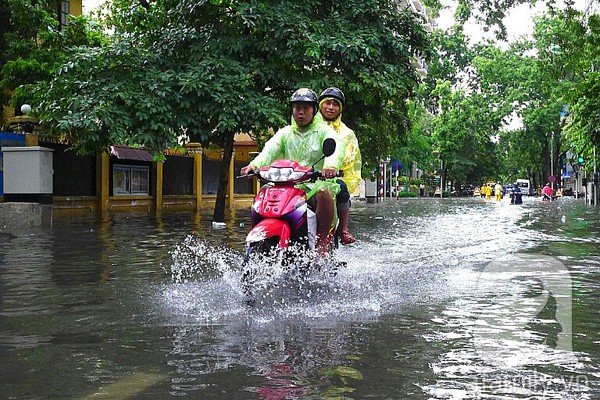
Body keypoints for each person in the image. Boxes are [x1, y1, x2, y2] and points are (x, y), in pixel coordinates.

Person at [240, 88, 345, 257]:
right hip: (287, 183)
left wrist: (330, 166)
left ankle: (322, 244)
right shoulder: (285, 133)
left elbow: (336, 148)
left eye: (306, 108)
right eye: (297, 108)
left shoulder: (324, 131)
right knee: (264, 192)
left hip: (315, 183)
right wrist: (254, 165)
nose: (301, 112)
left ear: (314, 110)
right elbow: (269, 150)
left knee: (325, 193)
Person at [318, 87, 362, 245]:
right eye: (327, 103)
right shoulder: (308, 126)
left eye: (335, 104)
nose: (330, 107)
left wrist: (331, 168)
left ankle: (343, 229)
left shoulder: (346, 133)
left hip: (330, 177)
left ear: (340, 109)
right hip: (303, 175)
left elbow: (347, 156)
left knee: (341, 189)